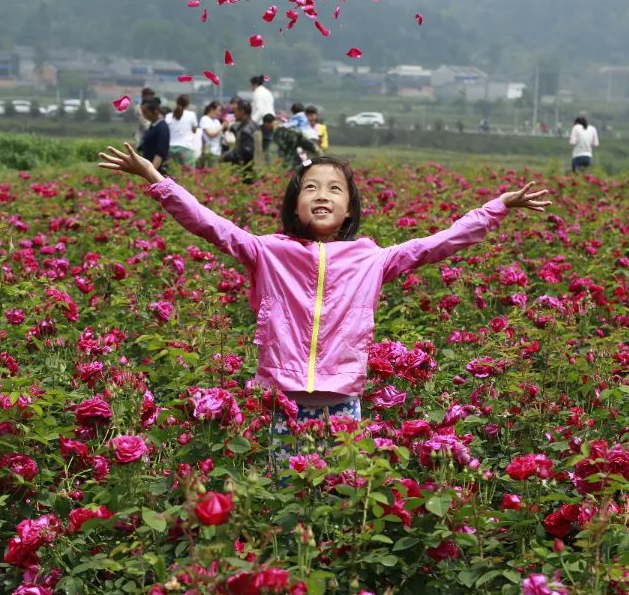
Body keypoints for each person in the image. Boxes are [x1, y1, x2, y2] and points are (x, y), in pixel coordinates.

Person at [95, 147, 550, 465]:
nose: (322, 195)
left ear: (350, 209)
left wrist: (496, 208)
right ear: (294, 204)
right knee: (285, 497)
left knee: (338, 495)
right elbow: (210, 225)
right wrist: (155, 179)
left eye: (334, 189)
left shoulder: (372, 258)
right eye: (310, 187)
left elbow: (437, 244)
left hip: (342, 401)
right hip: (282, 399)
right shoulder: (266, 251)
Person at [220, 99, 256, 184]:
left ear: (242, 112)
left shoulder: (245, 130)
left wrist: (225, 157)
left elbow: (245, 153)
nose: (234, 114)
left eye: (236, 112)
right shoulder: (254, 125)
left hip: (245, 171)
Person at [138, 96, 170, 175]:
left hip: (157, 171)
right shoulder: (153, 125)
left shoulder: (162, 127)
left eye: (145, 113)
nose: (144, 115)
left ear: (155, 111)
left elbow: (159, 154)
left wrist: (151, 173)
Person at [166, 94, 198, 169]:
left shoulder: (169, 116)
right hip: (186, 147)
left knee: (172, 173)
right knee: (188, 175)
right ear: (188, 104)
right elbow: (194, 130)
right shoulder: (191, 115)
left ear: (177, 103)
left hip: (170, 148)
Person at [198, 101, 226, 167]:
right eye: (218, 110)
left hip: (217, 152)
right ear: (211, 109)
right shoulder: (204, 119)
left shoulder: (216, 121)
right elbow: (211, 134)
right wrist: (222, 126)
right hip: (209, 152)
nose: (219, 113)